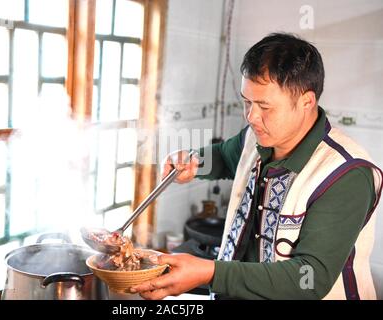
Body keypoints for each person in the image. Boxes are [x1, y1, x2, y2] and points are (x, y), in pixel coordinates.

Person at [130, 33, 383, 300]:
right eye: (247, 102)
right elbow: (226, 157)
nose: (252, 117)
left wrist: (210, 273)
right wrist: (193, 160)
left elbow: (310, 278)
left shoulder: (346, 174)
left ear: (307, 102)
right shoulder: (257, 137)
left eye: (264, 106)